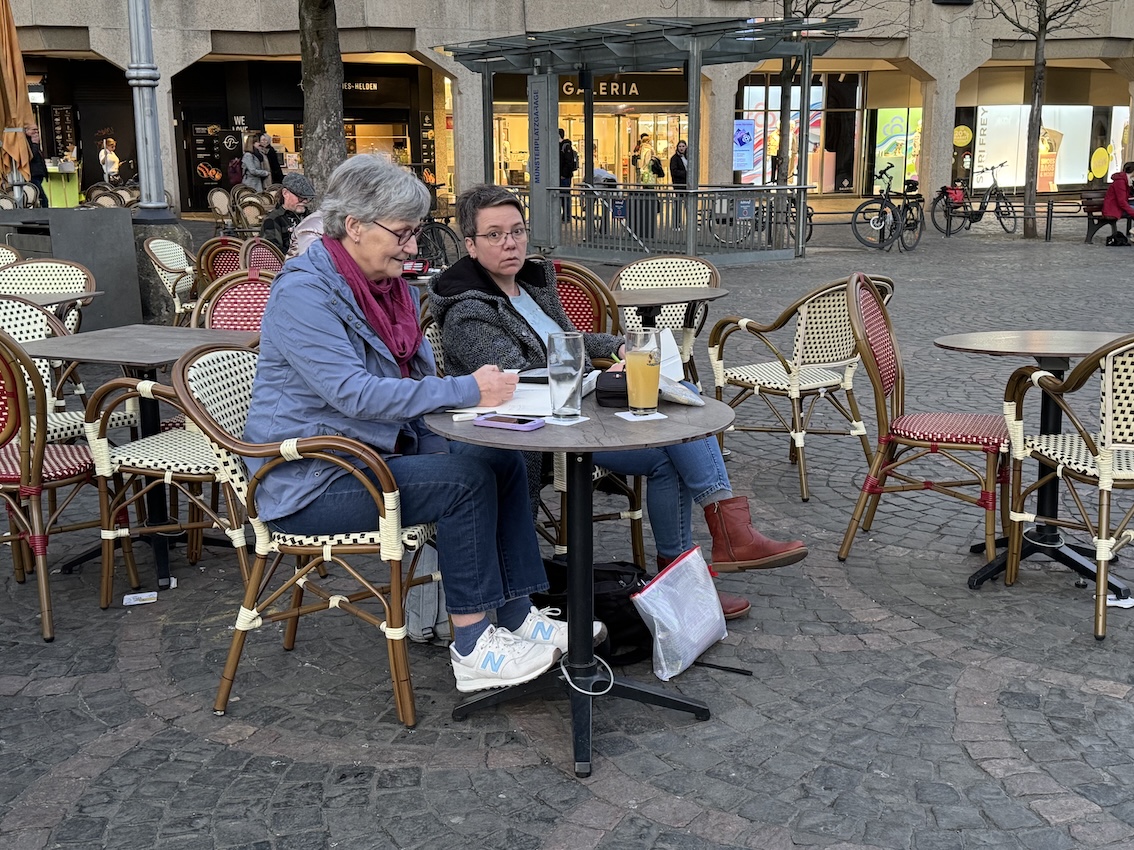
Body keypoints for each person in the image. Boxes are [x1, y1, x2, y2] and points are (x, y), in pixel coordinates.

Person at [244, 155, 599, 694]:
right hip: (311, 477)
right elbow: (355, 394)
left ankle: (517, 615)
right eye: (404, 233)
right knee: (465, 483)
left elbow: (415, 391)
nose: (413, 248)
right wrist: (469, 390)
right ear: (355, 226)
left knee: (498, 459)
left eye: (415, 232)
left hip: (373, 457)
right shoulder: (304, 293)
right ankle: (473, 645)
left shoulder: (390, 292)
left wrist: (467, 430)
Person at [430, 185, 810, 621]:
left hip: (576, 417)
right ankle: (728, 533)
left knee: (670, 445)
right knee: (671, 417)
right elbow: (517, 376)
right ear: (471, 245)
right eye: (495, 235)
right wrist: (594, 373)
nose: (510, 243)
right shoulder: (467, 310)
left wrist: (620, 347)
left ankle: (686, 584)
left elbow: (570, 339)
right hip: (531, 437)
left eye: (517, 231)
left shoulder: (530, 286)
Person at [260, 172, 315, 252]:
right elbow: (274, 252)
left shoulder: (310, 216)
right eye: (300, 197)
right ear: (285, 193)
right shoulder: (273, 220)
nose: (305, 201)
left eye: (307, 198)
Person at [1101, 161, 1134, 236]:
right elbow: (1122, 202)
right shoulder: (1120, 182)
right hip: (1113, 209)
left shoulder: (1125, 180)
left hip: (1117, 207)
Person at [24, 125, 48, 208]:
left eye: (37, 129)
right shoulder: (26, 142)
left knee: (38, 196)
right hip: (32, 174)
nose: (36, 131)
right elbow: (30, 156)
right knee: (43, 199)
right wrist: (35, 144)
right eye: (33, 129)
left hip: (38, 174)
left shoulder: (33, 141)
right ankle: (45, 212)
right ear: (26, 130)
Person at [669, 139, 689, 228]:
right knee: (678, 204)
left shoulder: (688, 157)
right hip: (679, 184)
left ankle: (690, 223)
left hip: (687, 184)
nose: (681, 148)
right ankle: (676, 224)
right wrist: (686, 173)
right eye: (680, 146)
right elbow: (674, 171)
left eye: (683, 146)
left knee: (688, 204)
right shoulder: (674, 158)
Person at [558, 129, 577, 221]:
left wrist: (563, 174)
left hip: (564, 177)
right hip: (562, 176)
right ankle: (564, 216)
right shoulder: (562, 146)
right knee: (562, 196)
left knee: (565, 196)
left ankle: (567, 216)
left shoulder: (565, 146)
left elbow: (568, 162)